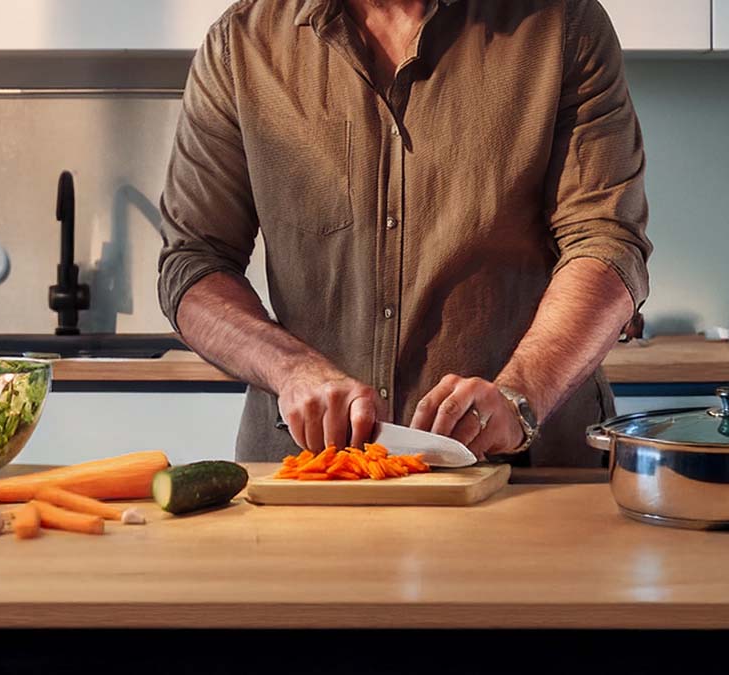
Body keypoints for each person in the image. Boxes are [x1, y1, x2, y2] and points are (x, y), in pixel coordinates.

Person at [158, 0, 650, 467]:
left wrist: (518, 396)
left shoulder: (562, 25)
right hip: (314, 478)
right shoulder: (241, 45)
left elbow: (604, 240)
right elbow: (194, 262)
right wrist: (288, 367)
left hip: (527, 475)